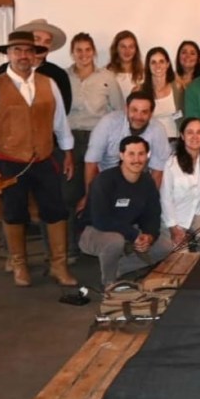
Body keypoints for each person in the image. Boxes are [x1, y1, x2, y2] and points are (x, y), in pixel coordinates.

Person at [0, 31, 77, 287]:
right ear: (8, 54)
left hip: (44, 157)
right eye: (17, 50)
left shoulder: (48, 84)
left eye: (28, 51)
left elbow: (60, 122)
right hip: (9, 160)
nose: (23, 56)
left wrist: (68, 153)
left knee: (55, 210)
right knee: (14, 212)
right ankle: (19, 265)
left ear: (35, 55)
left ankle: (58, 265)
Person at [79, 136, 172, 287]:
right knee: (114, 241)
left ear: (147, 156)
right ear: (121, 155)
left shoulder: (147, 181)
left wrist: (149, 235)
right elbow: (101, 220)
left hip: (129, 230)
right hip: (93, 231)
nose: (137, 159)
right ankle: (109, 285)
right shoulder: (104, 180)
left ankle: (119, 268)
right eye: (131, 154)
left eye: (141, 154)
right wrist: (134, 235)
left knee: (167, 246)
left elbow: (152, 214)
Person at [66, 33, 124, 246]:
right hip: (70, 141)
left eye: (87, 50)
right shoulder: (63, 77)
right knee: (70, 193)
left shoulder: (106, 77)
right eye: (78, 50)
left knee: (98, 191)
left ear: (94, 52)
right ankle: (73, 246)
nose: (83, 55)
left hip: (98, 138)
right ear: (72, 53)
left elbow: (119, 111)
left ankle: (98, 239)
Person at [81, 91, 172, 211]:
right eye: (134, 110)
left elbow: (157, 172)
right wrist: (90, 198)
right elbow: (91, 163)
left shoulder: (158, 130)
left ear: (151, 114)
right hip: (106, 182)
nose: (138, 116)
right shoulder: (108, 123)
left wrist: (149, 203)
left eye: (144, 112)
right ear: (126, 109)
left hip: (138, 183)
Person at [160, 118, 200, 252]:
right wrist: (173, 228)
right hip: (176, 217)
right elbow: (165, 198)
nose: (195, 137)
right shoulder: (171, 163)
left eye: (199, 132)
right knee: (181, 252)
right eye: (190, 132)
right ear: (182, 136)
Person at [0, 18, 72, 114]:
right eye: (37, 39)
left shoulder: (58, 74)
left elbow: (64, 110)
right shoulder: (4, 70)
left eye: (47, 41)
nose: (42, 45)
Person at [142, 47, 184, 140]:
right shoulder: (140, 91)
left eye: (161, 61)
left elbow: (182, 115)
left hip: (175, 141)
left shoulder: (177, 87)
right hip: (149, 141)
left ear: (168, 64)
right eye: (153, 62)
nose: (158, 66)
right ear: (148, 66)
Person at [107, 30, 144, 99]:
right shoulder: (106, 74)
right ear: (116, 49)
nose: (127, 51)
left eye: (131, 47)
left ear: (136, 50)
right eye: (123, 47)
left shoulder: (144, 75)